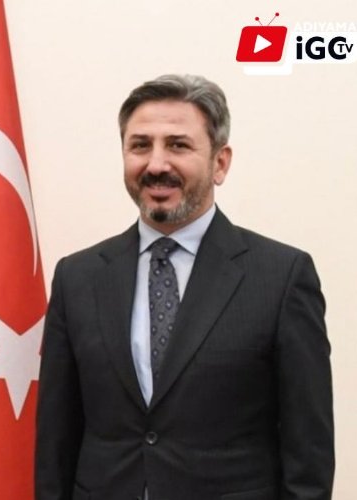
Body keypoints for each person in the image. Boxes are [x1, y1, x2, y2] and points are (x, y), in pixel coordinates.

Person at [35, 74, 334, 499]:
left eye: (178, 145)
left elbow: (309, 454)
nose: (156, 164)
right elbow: (56, 442)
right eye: (140, 145)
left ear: (220, 163)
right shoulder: (77, 277)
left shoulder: (281, 277)